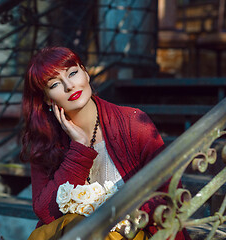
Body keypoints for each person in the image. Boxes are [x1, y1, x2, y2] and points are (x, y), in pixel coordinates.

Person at [20, 46, 189, 239]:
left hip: (135, 232)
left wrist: (113, 213)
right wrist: (79, 149)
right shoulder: (45, 142)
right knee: (74, 223)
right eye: (54, 84)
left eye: (73, 73)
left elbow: (167, 193)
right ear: (48, 99)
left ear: (86, 73)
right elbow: (46, 212)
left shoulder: (133, 123)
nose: (69, 86)